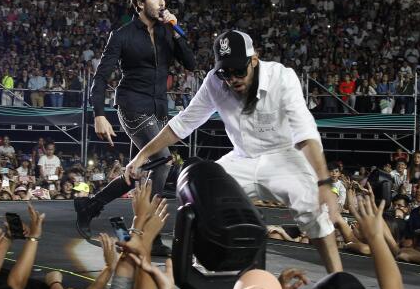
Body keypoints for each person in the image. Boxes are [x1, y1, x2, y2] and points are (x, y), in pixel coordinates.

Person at [124, 30, 342, 273]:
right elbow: (184, 122)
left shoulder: (282, 77)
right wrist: (142, 154)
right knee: (201, 192)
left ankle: (338, 278)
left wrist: (323, 183)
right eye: (225, 72)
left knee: (312, 206)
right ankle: (198, 271)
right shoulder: (214, 82)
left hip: (285, 155)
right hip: (242, 157)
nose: (233, 78)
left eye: (239, 70)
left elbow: (305, 133)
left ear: (254, 60)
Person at [75, 0, 196, 257]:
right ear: (141, 3)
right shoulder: (122, 35)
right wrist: (99, 114)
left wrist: (176, 29)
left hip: (158, 109)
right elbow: (101, 77)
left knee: (141, 170)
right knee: (163, 160)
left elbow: (190, 63)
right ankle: (146, 234)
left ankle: (91, 205)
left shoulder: (168, 32)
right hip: (132, 105)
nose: (162, 2)